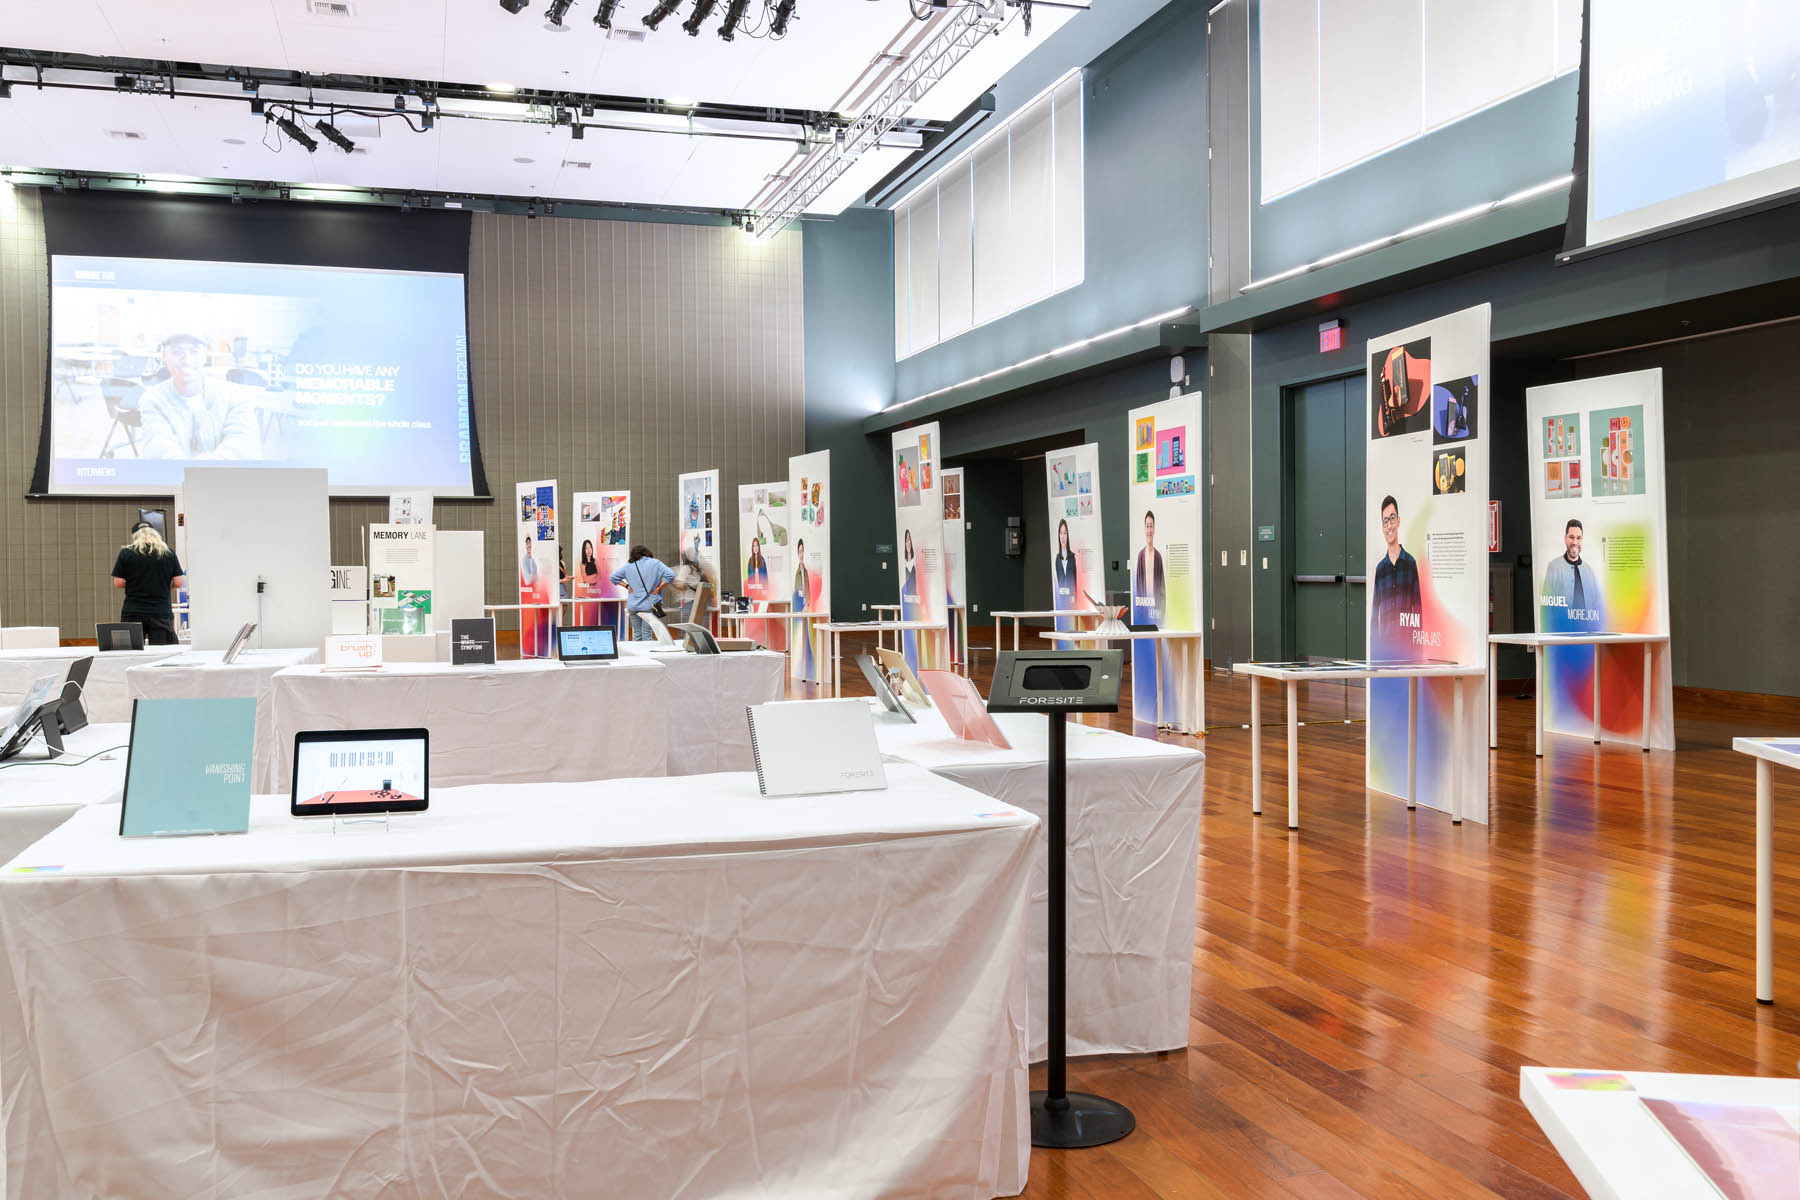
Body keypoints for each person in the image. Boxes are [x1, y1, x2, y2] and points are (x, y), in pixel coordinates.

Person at [135, 333, 262, 460]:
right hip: (175, 473)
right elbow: (158, 445)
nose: (186, 360)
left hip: (223, 473)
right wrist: (187, 469)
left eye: (194, 352)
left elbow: (244, 443)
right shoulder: (153, 399)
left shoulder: (234, 396)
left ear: (204, 356)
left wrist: (212, 463)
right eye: (177, 352)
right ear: (164, 356)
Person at [111, 522, 185, 645]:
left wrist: (135, 585)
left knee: (130, 651)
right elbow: (178, 582)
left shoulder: (126, 553)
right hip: (160, 611)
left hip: (133, 611)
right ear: (156, 535)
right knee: (162, 652)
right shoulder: (168, 553)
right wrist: (162, 585)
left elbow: (118, 582)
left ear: (135, 536)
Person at [1370, 495, 1422, 653]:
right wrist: (1375, 652)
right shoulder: (1380, 569)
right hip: (1385, 650)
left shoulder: (1410, 564)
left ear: (1398, 521)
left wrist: (1417, 651)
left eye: (1392, 519)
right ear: (1382, 527)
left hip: (1407, 649)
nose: (1389, 526)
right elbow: (1375, 616)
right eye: (1385, 521)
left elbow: (1418, 611)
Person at [1541, 518, 1602, 624]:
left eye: (1578, 538)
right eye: (1571, 537)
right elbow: (1546, 609)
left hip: (1587, 632)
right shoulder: (1553, 567)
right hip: (1562, 632)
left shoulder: (1590, 571)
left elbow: (1597, 606)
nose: (1575, 542)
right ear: (1565, 539)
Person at [612, 545, 674, 641]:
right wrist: (659, 587)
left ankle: (636, 651)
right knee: (647, 634)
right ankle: (647, 651)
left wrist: (627, 586)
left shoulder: (628, 566)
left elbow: (613, 577)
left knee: (637, 633)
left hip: (633, 605)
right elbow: (670, 575)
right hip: (649, 605)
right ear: (646, 552)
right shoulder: (655, 563)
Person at [1133, 510, 1166, 620]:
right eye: (1147, 526)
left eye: (1151, 526)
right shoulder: (1140, 556)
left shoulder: (1158, 557)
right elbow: (1138, 588)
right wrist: (1139, 612)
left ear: (1154, 529)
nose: (1149, 530)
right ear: (1144, 529)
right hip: (1143, 611)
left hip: (1156, 612)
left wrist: (1161, 613)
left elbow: (1162, 590)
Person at [1053, 518, 1077, 608]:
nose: (1063, 536)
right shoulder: (1057, 559)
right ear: (1058, 535)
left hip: (1072, 600)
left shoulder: (1072, 558)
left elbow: (1075, 581)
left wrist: (1074, 598)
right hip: (1061, 601)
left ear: (1067, 535)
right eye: (1061, 533)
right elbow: (1059, 582)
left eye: (1065, 533)